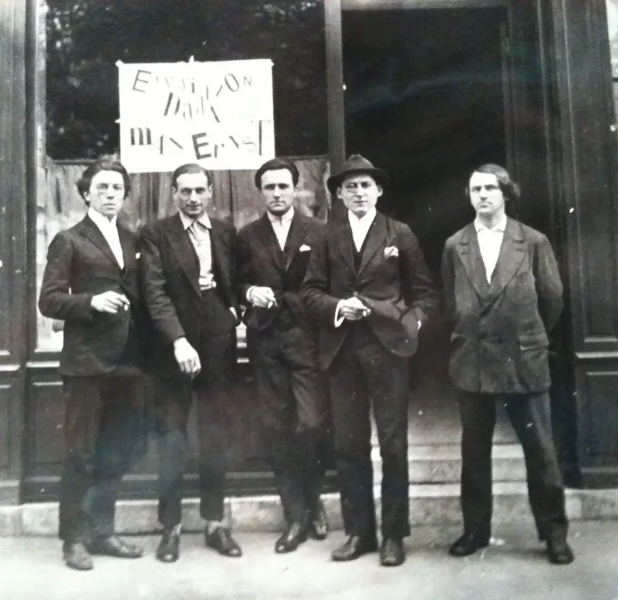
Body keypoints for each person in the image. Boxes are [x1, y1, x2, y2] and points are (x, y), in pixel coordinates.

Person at [301, 155, 439, 567]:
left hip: (388, 351)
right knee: (349, 445)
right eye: (350, 187)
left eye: (366, 185)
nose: (358, 192)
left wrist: (406, 325)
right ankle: (359, 532)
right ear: (339, 194)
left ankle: (394, 535)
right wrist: (340, 307)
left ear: (378, 191)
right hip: (342, 352)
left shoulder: (400, 233)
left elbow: (426, 295)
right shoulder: (328, 237)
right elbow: (309, 293)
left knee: (394, 446)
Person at [441, 163, 574, 565]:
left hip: (523, 359)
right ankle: (475, 531)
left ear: (505, 193)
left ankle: (554, 534)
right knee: (474, 453)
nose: (481, 195)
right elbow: (452, 303)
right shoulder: (455, 245)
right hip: (473, 361)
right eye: (474, 189)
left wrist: (527, 335)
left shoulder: (532, 241)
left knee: (541, 452)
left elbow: (552, 298)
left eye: (489, 188)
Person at [38, 158, 145, 571]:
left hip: (127, 363)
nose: (110, 194)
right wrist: (90, 302)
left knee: (115, 455)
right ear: (86, 194)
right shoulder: (69, 240)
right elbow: (48, 300)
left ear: (124, 194)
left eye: (117, 188)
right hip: (86, 364)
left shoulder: (132, 240)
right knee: (81, 454)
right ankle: (73, 540)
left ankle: (102, 532)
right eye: (101, 187)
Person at [140, 163, 242, 563]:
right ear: (173, 193)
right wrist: (179, 340)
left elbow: (237, 281)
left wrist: (234, 314)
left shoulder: (225, 232)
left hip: (218, 346)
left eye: (200, 190)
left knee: (215, 435)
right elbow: (155, 292)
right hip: (173, 351)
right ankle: (171, 528)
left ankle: (215, 524)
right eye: (185, 191)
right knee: (172, 438)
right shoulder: (156, 234)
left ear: (211, 191)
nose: (193, 199)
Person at [236, 158, 329, 554]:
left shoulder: (320, 232)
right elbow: (235, 282)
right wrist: (248, 293)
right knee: (277, 426)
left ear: (296, 189)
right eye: (269, 187)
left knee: (310, 424)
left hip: (308, 341)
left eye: (283, 186)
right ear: (261, 192)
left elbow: (328, 283)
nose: (276, 193)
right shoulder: (247, 236)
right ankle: (295, 516)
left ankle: (314, 498)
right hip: (267, 342)